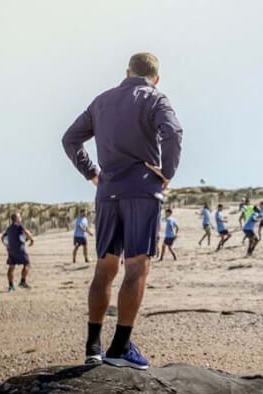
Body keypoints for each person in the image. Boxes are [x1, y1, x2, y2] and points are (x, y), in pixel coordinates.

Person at [62, 52, 183, 368]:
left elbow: (70, 139)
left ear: (127, 72)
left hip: (107, 191)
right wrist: (167, 172)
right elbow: (174, 133)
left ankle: (92, 346)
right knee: (137, 267)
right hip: (141, 190)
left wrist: (92, 174)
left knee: (104, 269)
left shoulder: (102, 100)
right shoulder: (156, 98)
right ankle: (120, 347)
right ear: (156, 78)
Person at [1, 213, 35, 292]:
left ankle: (11, 286)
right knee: (27, 264)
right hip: (19, 249)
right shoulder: (19, 226)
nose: (21, 218)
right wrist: (32, 240)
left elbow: (2, 237)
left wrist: (6, 245)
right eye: (20, 217)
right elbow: (26, 232)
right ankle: (22, 282)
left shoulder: (9, 228)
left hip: (11, 250)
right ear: (16, 218)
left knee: (11, 267)